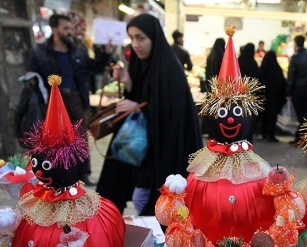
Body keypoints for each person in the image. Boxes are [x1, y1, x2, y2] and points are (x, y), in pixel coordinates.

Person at [96, 13, 203, 215]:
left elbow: (170, 112)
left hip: (166, 146)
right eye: (132, 38)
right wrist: (128, 81)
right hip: (147, 145)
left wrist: (136, 106)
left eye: (141, 38)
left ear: (154, 37)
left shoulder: (169, 68)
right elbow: (144, 95)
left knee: (155, 200)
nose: (135, 44)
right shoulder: (141, 63)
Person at [28, 13, 114, 186]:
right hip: (52, 101)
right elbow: (31, 74)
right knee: (55, 138)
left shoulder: (77, 50)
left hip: (75, 96)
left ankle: (83, 174)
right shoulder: (40, 52)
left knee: (80, 137)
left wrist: (106, 53)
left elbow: (96, 67)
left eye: (70, 28)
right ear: (54, 29)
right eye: (65, 28)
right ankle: (57, 173)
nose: (69, 32)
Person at [259, 50, 286, 142]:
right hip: (275, 97)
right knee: (272, 116)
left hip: (264, 96)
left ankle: (264, 134)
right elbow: (282, 83)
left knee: (264, 116)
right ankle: (271, 134)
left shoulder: (263, 68)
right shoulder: (277, 69)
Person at [238, 42, 260, 142]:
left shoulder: (239, 61)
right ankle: (248, 136)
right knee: (249, 117)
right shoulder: (253, 63)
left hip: (238, 94)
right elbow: (257, 79)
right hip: (250, 95)